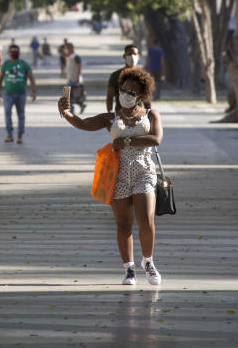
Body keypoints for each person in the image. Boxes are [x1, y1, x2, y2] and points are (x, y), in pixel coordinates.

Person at [57, 67, 164, 286]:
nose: (125, 94)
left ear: (142, 95)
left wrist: (125, 141)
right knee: (123, 224)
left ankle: (148, 262)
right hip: (117, 175)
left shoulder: (151, 115)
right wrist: (66, 113)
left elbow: (155, 139)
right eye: (123, 89)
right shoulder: (110, 118)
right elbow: (84, 124)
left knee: (147, 221)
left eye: (132, 92)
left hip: (144, 171)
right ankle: (130, 269)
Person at [0, 44, 37, 143]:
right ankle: (10, 135)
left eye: (16, 51)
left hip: (21, 94)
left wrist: (34, 92)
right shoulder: (6, 64)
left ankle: (20, 135)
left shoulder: (24, 64)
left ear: (19, 53)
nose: (14, 53)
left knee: (21, 115)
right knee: (7, 113)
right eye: (12, 51)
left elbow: (32, 78)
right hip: (8, 94)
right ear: (10, 53)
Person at [107, 44, 151, 112]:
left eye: (134, 54)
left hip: (138, 114)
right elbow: (110, 97)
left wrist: (148, 114)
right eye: (129, 54)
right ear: (124, 56)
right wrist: (110, 114)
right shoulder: (115, 75)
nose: (132, 56)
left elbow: (147, 99)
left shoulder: (143, 76)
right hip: (120, 114)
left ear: (138, 56)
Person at [64, 42, 86, 113]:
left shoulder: (76, 57)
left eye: (68, 49)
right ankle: (81, 105)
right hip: (70, 78)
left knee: (68, 94)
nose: (67, 50)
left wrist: (78, 77)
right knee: (73, 94)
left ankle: (72, 109)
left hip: (74, 78)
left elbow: (79, 66)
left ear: (71, 48)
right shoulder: (70, 56)